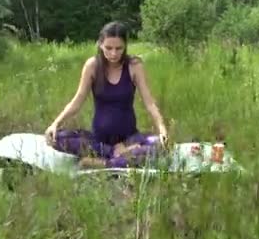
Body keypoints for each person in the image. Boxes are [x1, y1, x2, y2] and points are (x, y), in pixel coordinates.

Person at [45, 21, 168, 167]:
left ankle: (104, 163)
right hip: (99, 142)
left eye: (119, 48)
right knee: (57, 137)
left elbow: (149, 102)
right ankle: (116, 155)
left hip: (129, 139)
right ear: (100, 44)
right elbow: (77, 101)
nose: (113, 53)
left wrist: (162, 128)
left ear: (125, 46)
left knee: (160, 145)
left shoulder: (134, 66)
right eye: (108, 48)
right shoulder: (92, 66)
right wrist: (55, 123)